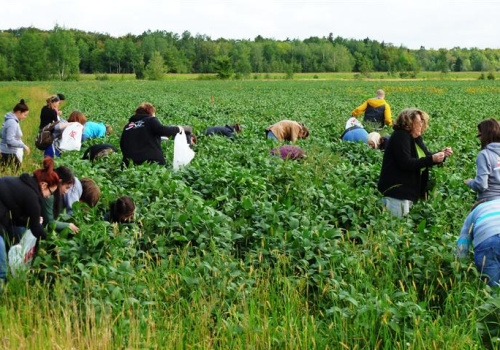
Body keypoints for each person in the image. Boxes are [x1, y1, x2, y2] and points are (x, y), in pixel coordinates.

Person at [378, 108, 451, 217]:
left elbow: (425, 157)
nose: (422, 124)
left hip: (408, 192)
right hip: (397, 193)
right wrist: (431, 159)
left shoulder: (415, 138)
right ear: (409, 123)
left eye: (423, 121)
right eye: (419, 121)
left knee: (402, 227)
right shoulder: (400, 136)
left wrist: (441, 155)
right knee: (396, 227)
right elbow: (405, 163)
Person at [0, 158, 60, 282]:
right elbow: (36, 229)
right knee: (2, 272)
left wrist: (33, 220)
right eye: (50, 192)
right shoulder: (33, 197)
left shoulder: (25, 184)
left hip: (3, 215)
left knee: (19, 231)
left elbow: (16, 215)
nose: (49, 196)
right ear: (43, 185)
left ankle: (9, 258)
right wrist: (52, 244)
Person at [120, 102, 188, 166]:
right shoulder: (150, 120)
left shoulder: (128, 126)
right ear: (151, 112)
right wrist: (178, 129)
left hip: (130, 164)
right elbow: (162, 130)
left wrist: (159, 138)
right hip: (151, 162)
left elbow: (133, 139)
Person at [456, 199, 500, 287]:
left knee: (492, 287)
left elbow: (463, 241)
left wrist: (459, 265)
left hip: (488, 239)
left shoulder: (473, 213)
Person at [464, 118, 500, 202]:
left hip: (489, 199)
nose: (479, 139)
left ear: (485, 135)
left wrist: (470, 182)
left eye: (479, 136)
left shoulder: (484, 155)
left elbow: (481, 185)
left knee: (470, 216)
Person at [42, 166, 79, 234]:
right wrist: (68, 225)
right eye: (66, 187)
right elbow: (50, 223)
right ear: (60, 182)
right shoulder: (49, 195)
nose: (66, 192)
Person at [1, 99, 31, 169]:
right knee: (16, 174)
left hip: (6, 152)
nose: (25, 117)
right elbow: (10, 140)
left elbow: (2, 135)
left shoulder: (10, 120)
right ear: (19, 112)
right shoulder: (12, 122)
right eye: (25, 115)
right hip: (9, 153)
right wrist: (23, 146)